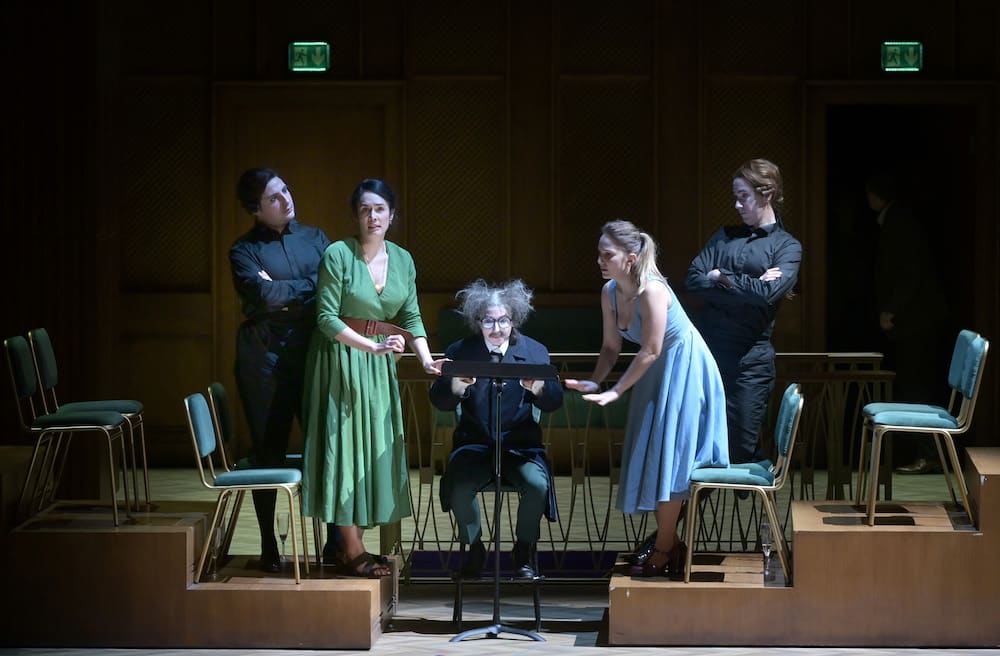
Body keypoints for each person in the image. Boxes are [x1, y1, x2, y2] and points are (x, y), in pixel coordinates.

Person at [565, 220, 729, 579]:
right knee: (656, 458)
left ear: (631, 258)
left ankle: (665, 548)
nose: (600, 261)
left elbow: (652, 348)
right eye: (599, 254)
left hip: (684, 368)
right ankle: (671, 545)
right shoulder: (609, 292)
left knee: (672, 461)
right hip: (654, 371)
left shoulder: (653, 289)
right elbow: (611, 347)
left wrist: (616, 391)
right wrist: (595, 382)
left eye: (607, 255)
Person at [301, 178, 445, 578]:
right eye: (365, 209)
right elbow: (326, 318)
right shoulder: (337, 254)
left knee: (371, 451)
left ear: (392, 215)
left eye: (380, 209)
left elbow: (411, 316)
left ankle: (350, 547)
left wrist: (426, 360)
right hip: (339, 360)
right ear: (355, 215)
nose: (372, 216)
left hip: (378, 365)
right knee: (346, 449)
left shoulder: (403, 259)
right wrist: (371, 346)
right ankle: (351, 548)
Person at [230, 167, 331, 572]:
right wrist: (308, 286)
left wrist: (286, 290)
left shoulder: (316, 238)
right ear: (256, 209)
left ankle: (334, 543)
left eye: (285, 190)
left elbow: (333, 286)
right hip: (264, 360)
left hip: (312, 354)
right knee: (267, 451)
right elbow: (263, 294)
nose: (286, 199)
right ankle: (268, 544)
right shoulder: (243, 250)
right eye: (273, 197)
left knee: (324, 446)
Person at [429, 279, 564, 580]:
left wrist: (539, 389)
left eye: (504, 320)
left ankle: (523, 550)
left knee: (537, 486)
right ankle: (475, 548)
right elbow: (440, 400)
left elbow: (555, 401)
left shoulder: (534, 351)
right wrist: (455, 386)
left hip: (521, 447)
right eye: (488, 321)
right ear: (477, 321)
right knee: (459, 486)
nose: (497, 328)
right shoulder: (461, 350)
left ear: (513, 319)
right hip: (474, 446)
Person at [685, 158, 802, 466]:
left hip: (750, 363)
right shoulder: (724, 236)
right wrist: (747, 285)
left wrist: (721, 277)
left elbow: (767, 295)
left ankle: (756, 497)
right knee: (696, 447)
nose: (737, 204)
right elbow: (693, 280)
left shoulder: (787, 247)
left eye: (744, 196)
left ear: (767, 194)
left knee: (740, 449)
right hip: (708, 356)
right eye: (735, 196)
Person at [866, 169, 950, 474]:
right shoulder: (899, 219)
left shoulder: (900, 222)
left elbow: (909, 272)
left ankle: (929, 454)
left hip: (915, 321)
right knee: (914, 385)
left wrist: (891, 310)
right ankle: (926, 453)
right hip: (916, 320)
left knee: (916, 387)